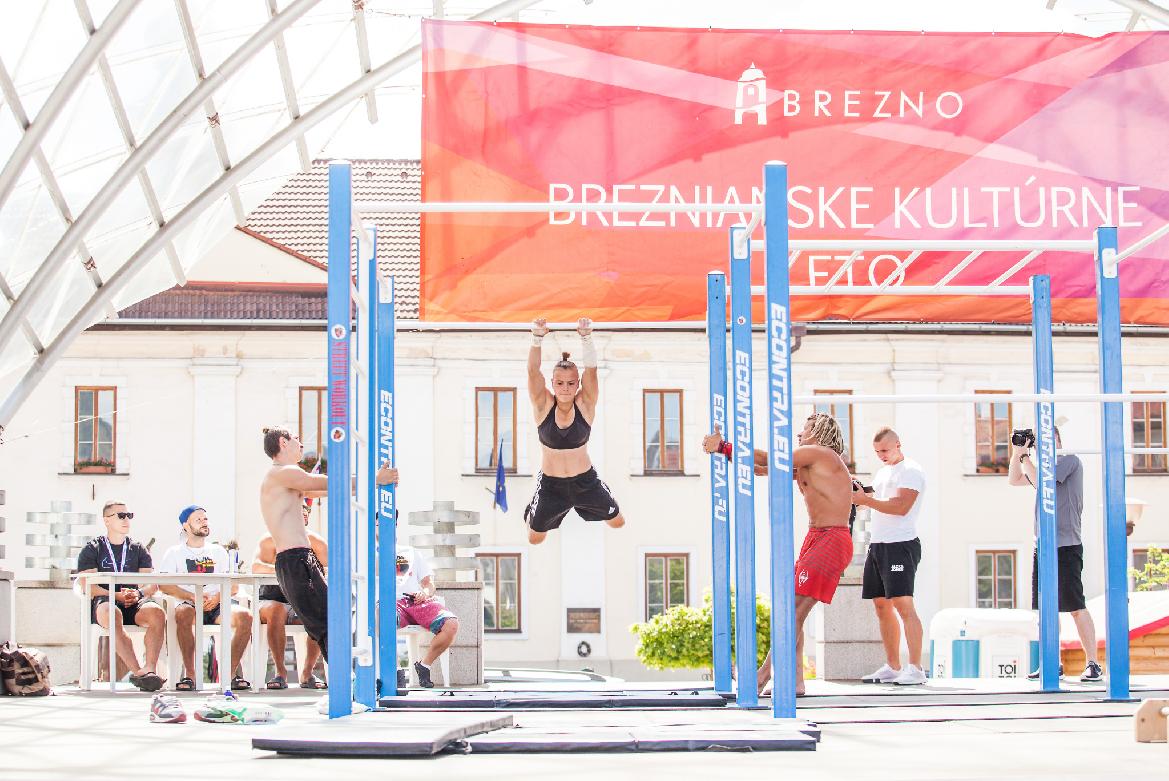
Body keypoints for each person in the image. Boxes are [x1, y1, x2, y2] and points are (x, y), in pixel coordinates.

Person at [703, 413, 855, 696]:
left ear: (820, 432)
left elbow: (770, 456)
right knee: (791, 610)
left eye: (806, 429)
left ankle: (763, 675)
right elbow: (762, 468)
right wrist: (724, 452)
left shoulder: (820, 453)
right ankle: (795, 682)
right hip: (819, 538)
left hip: (831, 539)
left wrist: (723, 446)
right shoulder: (812, 462)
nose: (800, 434)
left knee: (791, 612)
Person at [259, 425, 398, 664]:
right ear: (283, 443)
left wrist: (373, 484)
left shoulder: (288, 478)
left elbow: (332, 489)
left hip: (302, 558)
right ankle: (346, 682)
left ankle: (348, 679)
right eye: (297, 439)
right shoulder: (280, 472)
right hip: (294, 560)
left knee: (333, 621)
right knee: (327, 624)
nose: (302, 444)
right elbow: (325, 481)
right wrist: (374, 478)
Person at [1008, 426, 1102, 682]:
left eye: (1045, 441)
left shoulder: (1068, 460)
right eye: (1038, 443)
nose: (1041, 447)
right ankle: (1052, 662)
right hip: (1044, 545)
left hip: (1067, 544)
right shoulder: (1036, 466)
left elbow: (1044, 483)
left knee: (1075, 606)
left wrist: (1027, 458)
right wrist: (1019, 452)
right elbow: (1014, 479)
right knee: (1045, 610)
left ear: (1058, 440)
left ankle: (1093, 662)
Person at [524, 317, 625, 545]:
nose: (566, 388)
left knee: (618, 522)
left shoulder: (585, 405)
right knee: (535, 539)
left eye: (571, 383)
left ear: (578, 384)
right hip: (552, 485)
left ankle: (594, 497)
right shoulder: (543, 406)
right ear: (552, 383)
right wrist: (537, 337)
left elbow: (591, 370)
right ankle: (532, 510)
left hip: (585, 481)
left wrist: (586, 337)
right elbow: (532, 371)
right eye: (560, 383)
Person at [852, 428, 928, 686]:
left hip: (901, 545)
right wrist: (860, 497)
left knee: (903, 605)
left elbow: (900, 506)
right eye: (877, 452)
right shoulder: (883, 472)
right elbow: (876, 502)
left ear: (898, 444)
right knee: (881, 605)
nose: (881, 456)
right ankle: (893, 667)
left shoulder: (912, 471)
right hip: (879, 544)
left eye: (884, 450)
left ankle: (916, 668)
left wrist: (866, 500)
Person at [157, 506, 253, 691]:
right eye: (198, 519)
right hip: (189, 604)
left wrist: (217, 598)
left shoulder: (218, 552)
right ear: (186, 525)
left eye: (205, 519)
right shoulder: (174, 553)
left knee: (245, 617)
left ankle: (229, 674)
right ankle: (190, 675)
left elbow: (233, 585)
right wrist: (192, 596)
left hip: (218, 604)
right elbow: (164, 585)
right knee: (183, 613)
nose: (204, 522)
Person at [75, 500, 166, 692]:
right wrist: (116, 595)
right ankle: (139, 673)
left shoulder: (139, 548)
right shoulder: (93, 548)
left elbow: (151, 584)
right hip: (106, 602)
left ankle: (149, 669)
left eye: (129, 515)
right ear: (106, 520)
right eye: (121, 515)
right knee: (112, 612)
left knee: (157, 612)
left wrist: (138, 592)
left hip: (134, 600)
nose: (126, 519)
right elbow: (87, 586)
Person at [250, 502, 327, 690]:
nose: (303, 517)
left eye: (305, 513)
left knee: (318, 612)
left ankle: (307, 673)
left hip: (303, 600)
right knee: (276, 610)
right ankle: (280, 672)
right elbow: (256, 567)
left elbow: (328, 569)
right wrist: (295, 571)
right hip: (272, 599)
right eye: (297, 513)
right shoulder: (269, 540)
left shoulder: (315, 541)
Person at [395, 547, 459, 688]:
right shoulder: (369, 552)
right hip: (390, 603)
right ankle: (397, 671)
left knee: (451, 623)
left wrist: (424, 593)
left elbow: (429, 584)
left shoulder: (409, 551)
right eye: (375, 523)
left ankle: (424, 665)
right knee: (382, 619)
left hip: (416, 601)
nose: (378, 525)